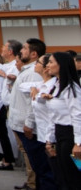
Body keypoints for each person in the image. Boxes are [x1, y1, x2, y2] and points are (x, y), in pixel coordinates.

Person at [9, 38, 49, 190]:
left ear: (33, 54)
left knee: (38, 164)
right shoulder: (27, 71)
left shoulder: (34, 73)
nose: (21, 51)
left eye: (24, 49)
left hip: (27, 125)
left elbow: (34, 102)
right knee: (33, 160)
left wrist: (29, 123)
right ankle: (33, 184)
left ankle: (34, 185)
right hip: (20, 122)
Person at [43, 51, 81, 189]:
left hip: (70, 135)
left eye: (51, 62)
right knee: (62, 176)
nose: (48, 65)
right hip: (60, 134)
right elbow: (53, 116)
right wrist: (50, 140)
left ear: (62, 65)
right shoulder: (56, 86)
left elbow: (77, 116)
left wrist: (78, 143)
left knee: (72, 177)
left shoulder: (71, 89)